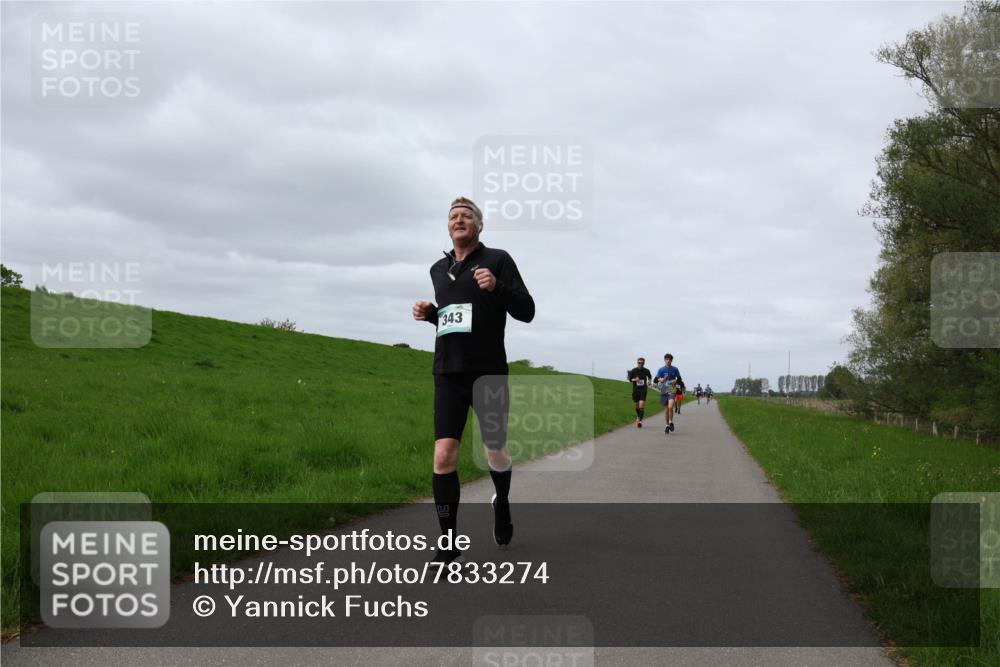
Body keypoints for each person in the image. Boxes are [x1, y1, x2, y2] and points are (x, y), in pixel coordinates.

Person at [412, 197, 535, 565]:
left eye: (467, 215)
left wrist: (497, 286)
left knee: (494, 451)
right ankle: (449, 544)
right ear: (448, 226)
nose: (459, 220)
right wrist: (432, 315)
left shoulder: (498, 260)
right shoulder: (438, 269)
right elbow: (457, 318)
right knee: (443, 455)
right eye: (453, 216)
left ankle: (502, 502)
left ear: (480, 225)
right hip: (447, 372)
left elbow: (527, 311)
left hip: (488, 372)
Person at [653, 354, 682, 434]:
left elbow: (680, 379)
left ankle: (671, 422)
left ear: (671, 360)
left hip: (672, 389)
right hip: (664, 390)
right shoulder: (661, 369)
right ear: (664, 360)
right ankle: (667, 425)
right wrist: (660, 379)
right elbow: (655, 380)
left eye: (669, 359)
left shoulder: (675, 369)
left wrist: (675, 380)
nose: (668, 360)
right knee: (666, 411)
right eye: (667, 359)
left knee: (670, 407)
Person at [627, 358, 652, 427]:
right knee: (637, 406)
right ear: (637, 363)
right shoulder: (634, 370)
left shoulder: (646, 370)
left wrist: (649, 382)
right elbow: (630, 379)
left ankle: (639, 421)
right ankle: (638, 416)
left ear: (644, 363)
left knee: (641, 404)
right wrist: (635, 379)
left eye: (642, 363)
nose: (641, 364)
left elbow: (650, 377)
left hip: (643, 389)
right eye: (639, 363)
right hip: (636, 390)